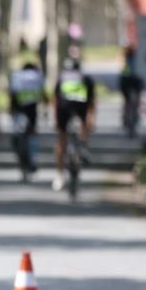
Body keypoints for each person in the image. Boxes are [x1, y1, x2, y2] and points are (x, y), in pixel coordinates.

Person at [53, 57, 95, 190]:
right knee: (84, 126)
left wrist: (55, 120)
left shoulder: (61, 78)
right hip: (80, 109)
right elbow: (92, 102)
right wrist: (91, 119)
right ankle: (84, 148)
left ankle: (59, 175)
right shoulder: (85, 78)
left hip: (63, 111)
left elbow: (55, 100)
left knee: (61, 141)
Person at [9, 61, 49, 174]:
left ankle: (19, 155)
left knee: (16, 135)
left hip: (18, 108)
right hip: (31, 110)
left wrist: (10, 110)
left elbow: (12, 94)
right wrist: (46, 111)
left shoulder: (16, 76)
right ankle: (33, 159)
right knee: (32, 136)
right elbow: (44, 96)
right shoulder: (37, 77)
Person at [119, 45, 143, 134]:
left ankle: (127, 115)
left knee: (128, 101)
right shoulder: (133, 60)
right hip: (130, 81)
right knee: (133, 101)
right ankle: (129, 115)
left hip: (128, 81)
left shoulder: (126, 59)